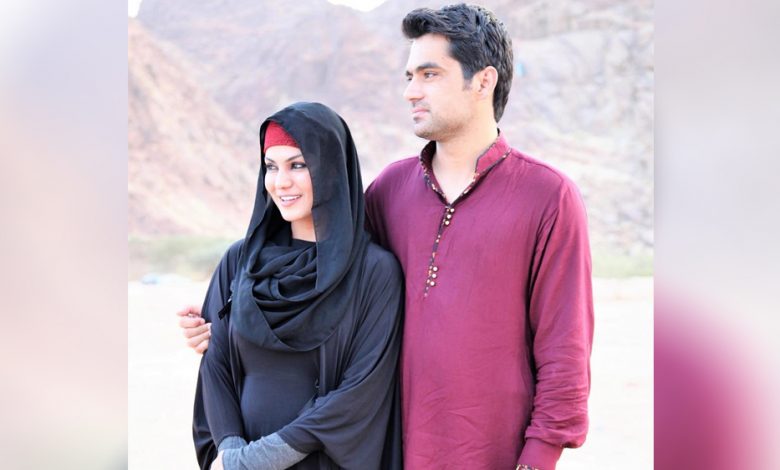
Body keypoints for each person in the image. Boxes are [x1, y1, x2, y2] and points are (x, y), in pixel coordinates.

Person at [182, 4, 593, 469]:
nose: (410, 91)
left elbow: (565, 352)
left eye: (429, 74)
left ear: (483, 82)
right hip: (390, 453)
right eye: (409, 76)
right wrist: (231, 318)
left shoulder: (547, 197)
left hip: (492, 455)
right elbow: (327, 275)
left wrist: (537, 458)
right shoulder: (389, 190)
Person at [189, 102, 404, 470]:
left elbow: (358, 392)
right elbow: (216, 364)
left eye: (298, 165)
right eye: (271, 167)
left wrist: (253, 462)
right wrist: (230, 451)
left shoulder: (373, 271)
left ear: (331, 168)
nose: (281, 182)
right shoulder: (240, 260)